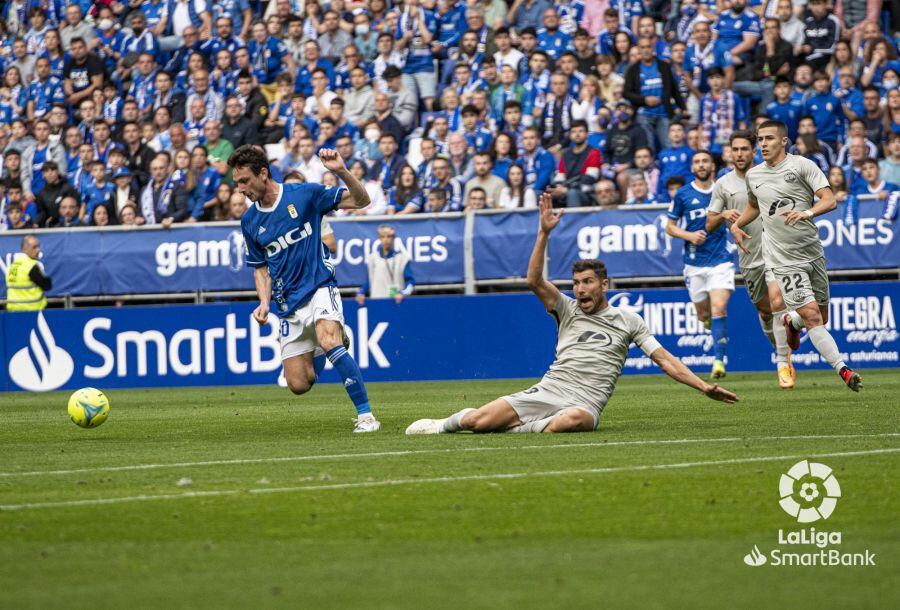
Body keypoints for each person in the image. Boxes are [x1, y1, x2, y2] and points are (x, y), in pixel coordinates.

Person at [405, 193, 738, 435]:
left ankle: (517, 429)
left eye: (588, 282)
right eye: (576, 283)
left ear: (604, 284)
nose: (580, 289)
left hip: (586, 403)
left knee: (573, 421)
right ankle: (440, 425)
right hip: (550, 389)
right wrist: (544, 233)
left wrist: (702, 387)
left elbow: (665, 359)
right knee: (476, 422)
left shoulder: (628, 320)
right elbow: (533, 280)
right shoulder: (565, 309)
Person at [231, 145, 381, 433]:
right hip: (288, 304)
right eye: (237, 183)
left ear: (263, 174)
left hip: (320, 285)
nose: (240, 190)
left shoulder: (304, 194)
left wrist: (341, 172)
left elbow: (362, 200)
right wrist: (263, 302)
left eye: (244, 181)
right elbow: (260, 267)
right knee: (298, 384)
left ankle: (366, 417)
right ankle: (331, 343)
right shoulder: (249, 221)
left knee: (328, 340)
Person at [732, 120, 862, 392]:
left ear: (783, 141)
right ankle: (844, 369)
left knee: (820, 318)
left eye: (768, 138)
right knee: (814, 317)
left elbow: (829, 200)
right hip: (783, 259)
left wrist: (807, 212)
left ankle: (792, 321)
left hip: (812, 253)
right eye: (760, 139)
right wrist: (736, 224)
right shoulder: (754, 176)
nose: (763, 144)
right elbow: (755, 206)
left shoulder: (802, 166)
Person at [706, 131, 795, 389]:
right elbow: (709, 224)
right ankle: (781, 350)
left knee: (778, 302)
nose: (740, 154)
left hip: (776, 252)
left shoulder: (768, 174)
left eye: (745, 149)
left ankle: (781, 363)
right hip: (749, 257)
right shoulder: (723, 184)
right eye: (736, 149)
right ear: (730, 153)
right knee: (765, 310)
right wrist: (723, 215)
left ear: (753, 151)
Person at [665, 150, 734, 380]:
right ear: (692, 167)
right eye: (696, 161)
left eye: (705, 161)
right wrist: (689, 236)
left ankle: (718, 361)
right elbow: (670, 227)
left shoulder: (722, 189)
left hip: (721, 260)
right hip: (694, 263)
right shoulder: (683, 194)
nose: (701, 164)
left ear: (712, 166)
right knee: (704, 315)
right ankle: (712, 325)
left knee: (719, 309)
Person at [356, 224, 415, 305]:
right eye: (383, 236)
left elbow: (410, 281)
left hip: (396, 302)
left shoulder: (402, 258)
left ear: (393, 238)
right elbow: (369, 281)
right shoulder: (372, 258)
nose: (386, 239)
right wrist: (361, 293)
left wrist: (403, 293)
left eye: (389, 236)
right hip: (377, 302)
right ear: (379, 238)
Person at [5, 234, 51, 311]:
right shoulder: (31, 266)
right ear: (25, 248)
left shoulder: (12, 266)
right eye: (34, 247)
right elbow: (47, 286)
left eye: (38, 246)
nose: (38, 250)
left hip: (13, 311)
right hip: (32, 311)